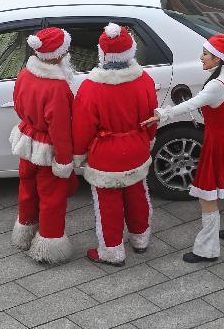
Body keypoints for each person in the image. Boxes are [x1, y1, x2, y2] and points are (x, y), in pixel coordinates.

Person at [142, 34, 224, 263]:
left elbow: (192, 104)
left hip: (217, 143)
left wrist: (162, 114)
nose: (201, 57)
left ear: (217, 58)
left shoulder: (214, 86)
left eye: (205, 54)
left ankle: (207, 249)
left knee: (207, 197)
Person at [73, 23, 158, 266]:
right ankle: (140, 238)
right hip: (137, 147)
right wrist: (148, 138)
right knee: (138, 195)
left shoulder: (91, 88)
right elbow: (152, 115)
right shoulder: (144, 80)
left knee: (108, 204)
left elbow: (82, 127)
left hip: (105, 155)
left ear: (102, 53)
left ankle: (111, 251)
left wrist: (79, 154)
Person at [9, 28, 77, 264]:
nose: (68, 52)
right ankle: (48, 245)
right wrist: (65, 160)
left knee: (27, 191)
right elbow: (60, 129)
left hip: (27, 143)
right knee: (52, 199)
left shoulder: (24, 74)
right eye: (65, 49)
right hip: (48, 150)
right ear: (57, 55)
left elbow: (18, 107)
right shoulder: (57, 87)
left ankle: (24, 234)